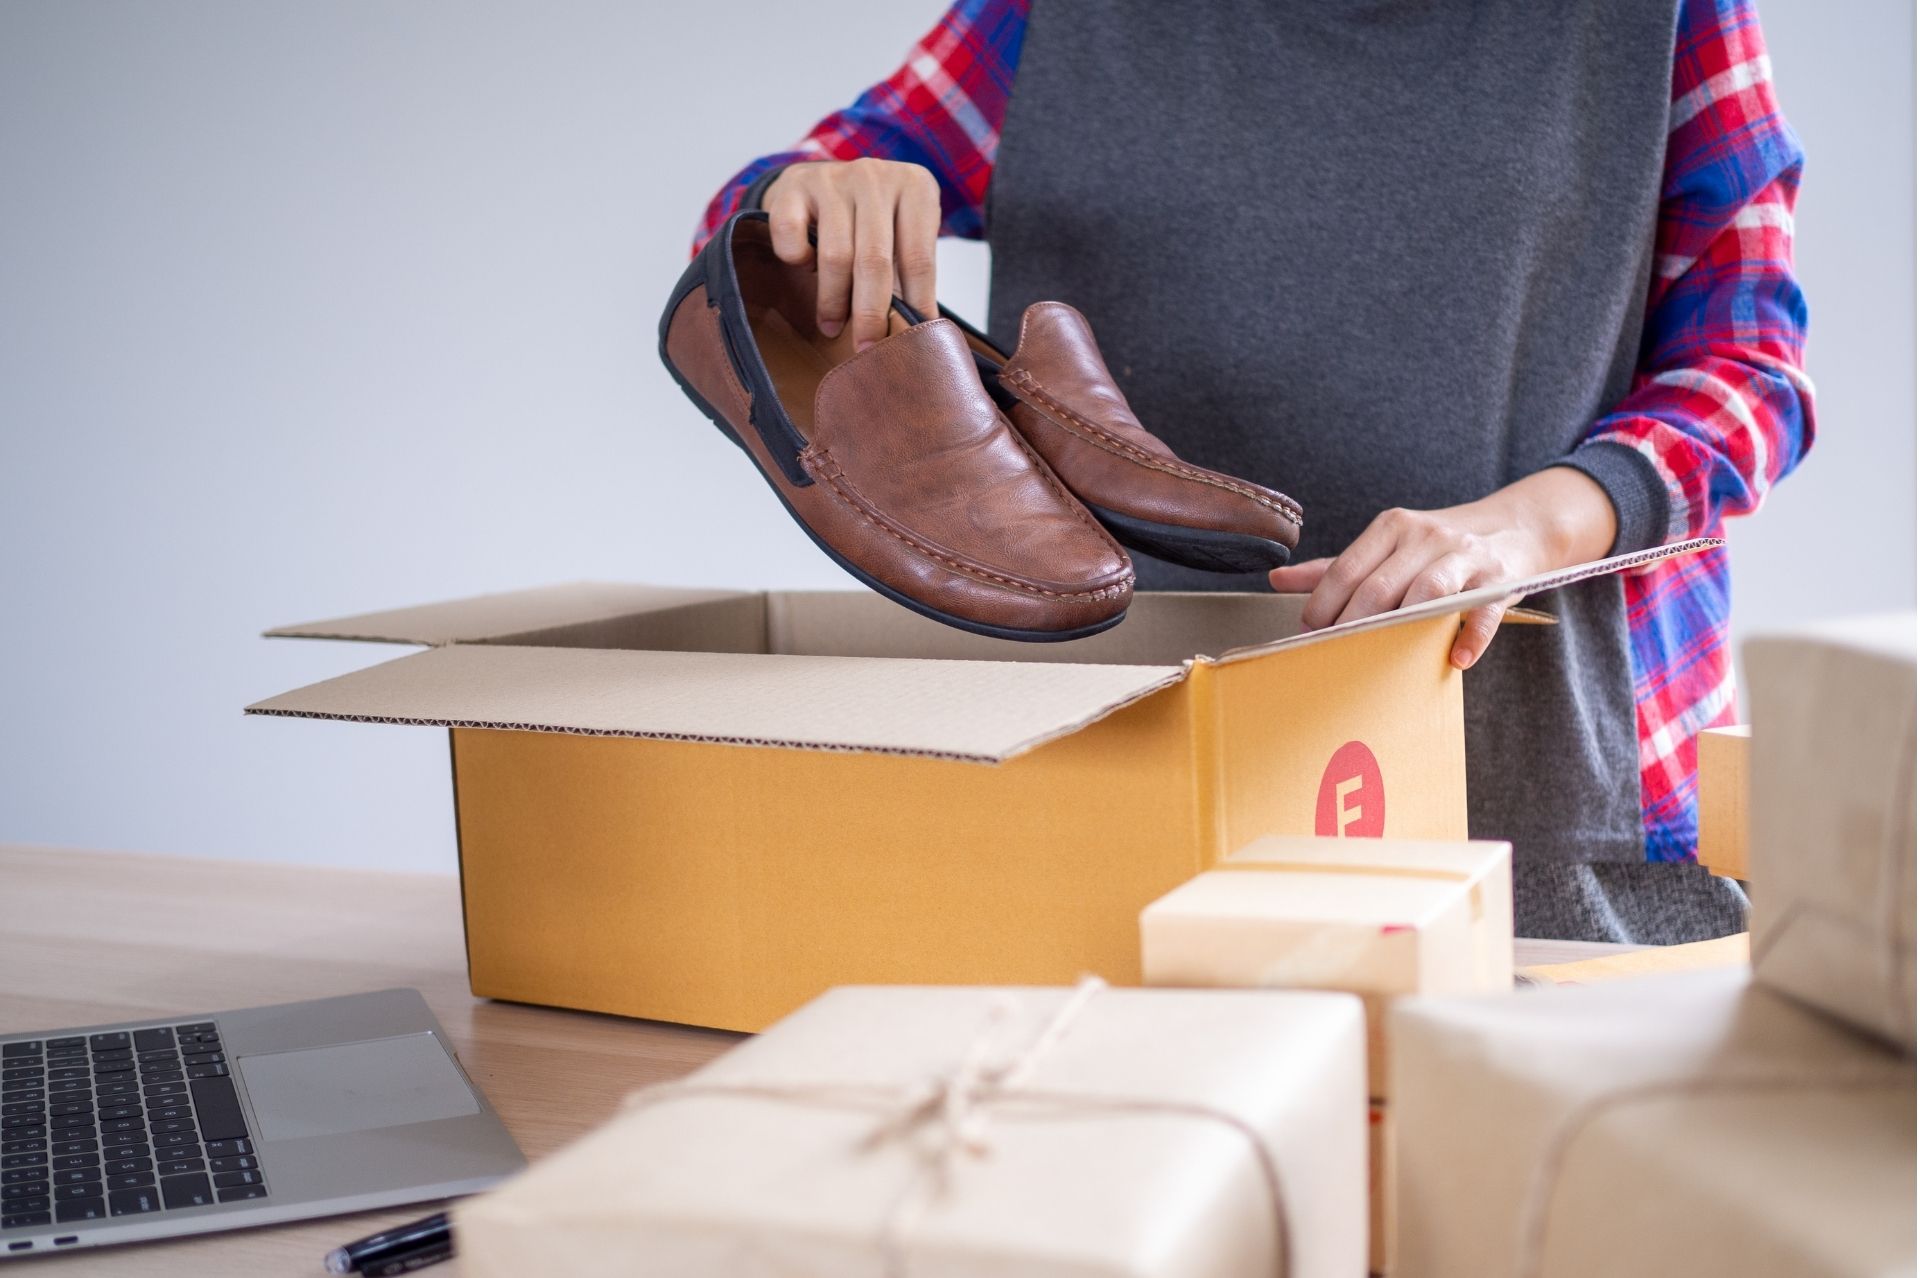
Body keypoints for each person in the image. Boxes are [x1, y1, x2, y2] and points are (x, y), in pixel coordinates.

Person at [692, 0, 1814, 942]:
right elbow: (764, 215)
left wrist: (1526, 530)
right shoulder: (1054, 17)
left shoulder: (1658, 18)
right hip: (1132, 745)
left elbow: (1751, 369)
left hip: (1546, 767)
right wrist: (804, 200)